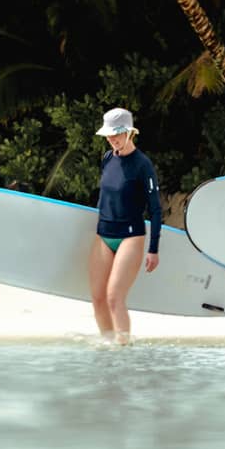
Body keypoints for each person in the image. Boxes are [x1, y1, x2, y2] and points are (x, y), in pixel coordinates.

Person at [89, 107, 162, 345]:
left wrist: (154, 249)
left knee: (113, 297)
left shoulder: (143, 165)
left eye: (116, 134)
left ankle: (124, 352)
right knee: (98, 298)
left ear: (129, 132)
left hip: (131, 236)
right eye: (108, 135)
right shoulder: (107, 159)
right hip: (104, 235)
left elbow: (155, 208)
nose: (111, 139)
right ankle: (110, 347)